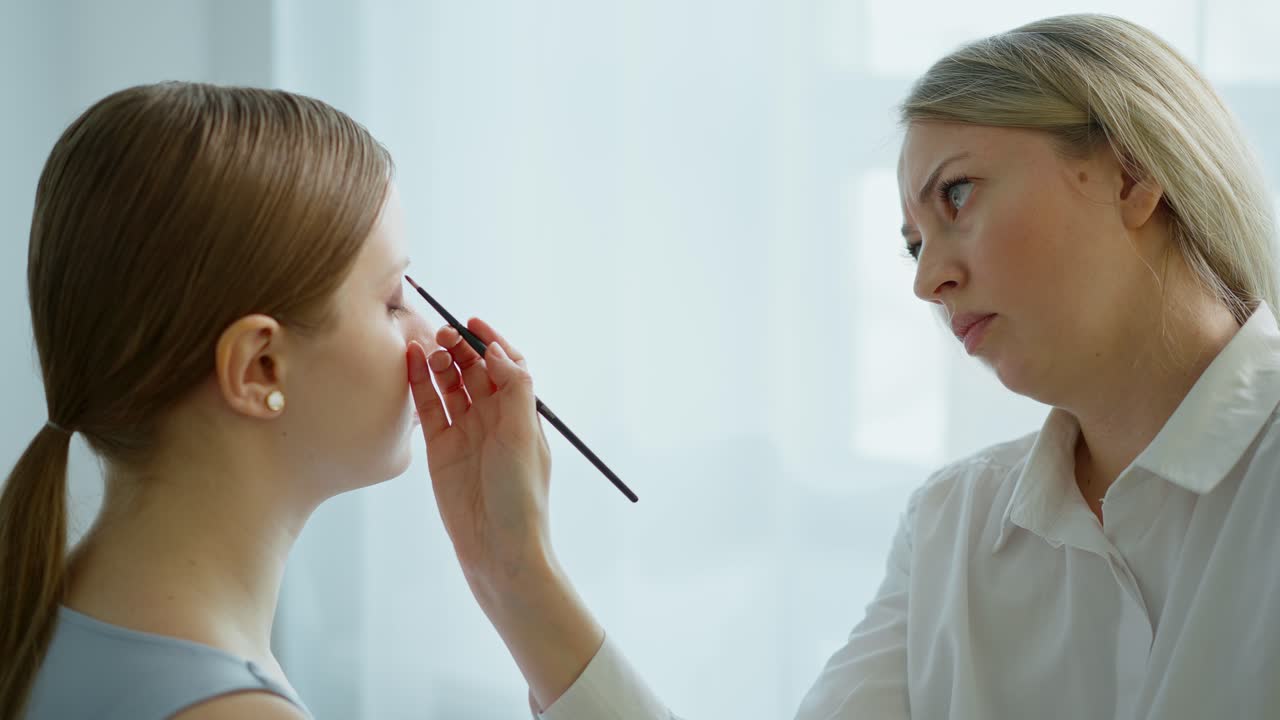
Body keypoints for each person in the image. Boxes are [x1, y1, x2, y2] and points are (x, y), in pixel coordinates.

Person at [409, 13, 1280, 719]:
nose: (927, 281)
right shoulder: (951, 528)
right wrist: (511, 568)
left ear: (1130, 175)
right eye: (911, 242)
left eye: (957, 195)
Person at [0, 82, 462, 719]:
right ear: (260, 367)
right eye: (392, 302)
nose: (432, 333)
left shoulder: (39, 616)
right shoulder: (235, 711)